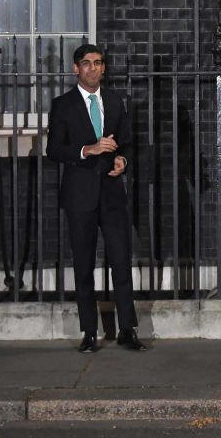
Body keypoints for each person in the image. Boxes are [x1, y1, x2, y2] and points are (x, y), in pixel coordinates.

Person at [46, 44, 147, 353]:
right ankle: (89, 331)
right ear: (76, 68)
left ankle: (127, 329)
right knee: (84, 265)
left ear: (104, 68)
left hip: (113, 194)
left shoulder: (116, 101)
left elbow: (128, 144)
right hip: (80, 196)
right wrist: (86, 150)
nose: (93, 68)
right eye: (86, 63)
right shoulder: (63, 105)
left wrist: (123, 162)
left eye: (98, 63)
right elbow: (53, 150)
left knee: (121, 261)